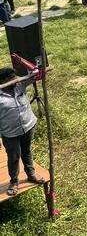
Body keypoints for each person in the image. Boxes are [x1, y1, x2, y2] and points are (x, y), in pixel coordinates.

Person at [0, 67, 45, 196]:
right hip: (10, 133)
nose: (15, 81)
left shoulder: (19, 86)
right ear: (3, 82)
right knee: (13, 157)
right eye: (11, 79)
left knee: (27, 151)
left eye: (15, 78)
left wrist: (34, 67)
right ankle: (14, 181)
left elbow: (36, 75)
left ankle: (31, 174)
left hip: (28, 126)